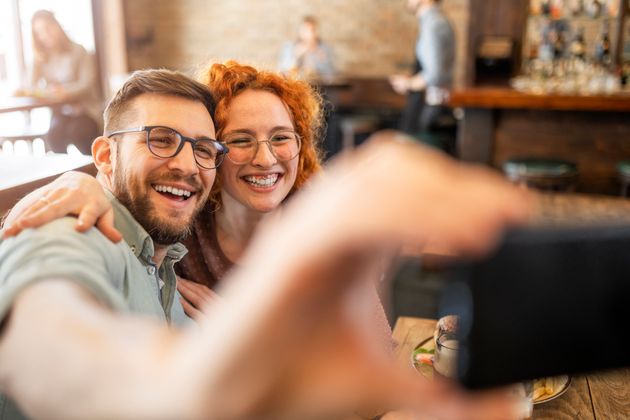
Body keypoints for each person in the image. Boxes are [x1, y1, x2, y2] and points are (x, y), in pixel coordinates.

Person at [0, 118, 533, 417]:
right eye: (239, 141)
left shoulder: (324, 236)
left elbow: (371, 364)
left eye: (282, 137)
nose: (265, 156)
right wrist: (85, 180)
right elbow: (46, 343)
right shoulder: (176, 236)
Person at [23, 10, 101, 154]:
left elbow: (87, 84)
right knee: (53, 136)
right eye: (38, 32)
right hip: (61, 113)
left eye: (47, 28)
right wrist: (35, 59)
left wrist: (65, 92)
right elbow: (30, 88)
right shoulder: (41, 58)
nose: (44, 35)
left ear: (56, 26)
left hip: (86, 110)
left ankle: (90, 171)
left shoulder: (79, 51)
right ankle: (65, 175)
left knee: (78, 132)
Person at [389, 0, 455, 135]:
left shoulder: (433, 25)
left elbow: (434, 75)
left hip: (428, 108)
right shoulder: (438, 21)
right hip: (432, 104)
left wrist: (407, 83)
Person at [278, 15, 335, 80]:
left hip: (320, 86)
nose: (310, 34)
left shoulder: (324, 48)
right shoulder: (289, 47)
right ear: (300, 31)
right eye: (305, 30)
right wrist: (295, 56)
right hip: (295, 85)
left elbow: (331, 75)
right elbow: (281, 71)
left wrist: (322, 60)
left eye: (312, 30)